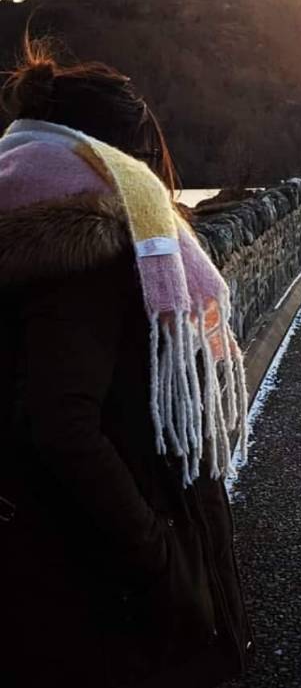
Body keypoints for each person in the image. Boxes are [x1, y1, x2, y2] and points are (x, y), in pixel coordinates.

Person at [0, 37, 254, 688]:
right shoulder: (88, 243)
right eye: (147, 160)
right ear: (122, 158)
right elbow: (63, 425)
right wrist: (164, 564)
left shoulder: (27, 210)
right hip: (106, 605)